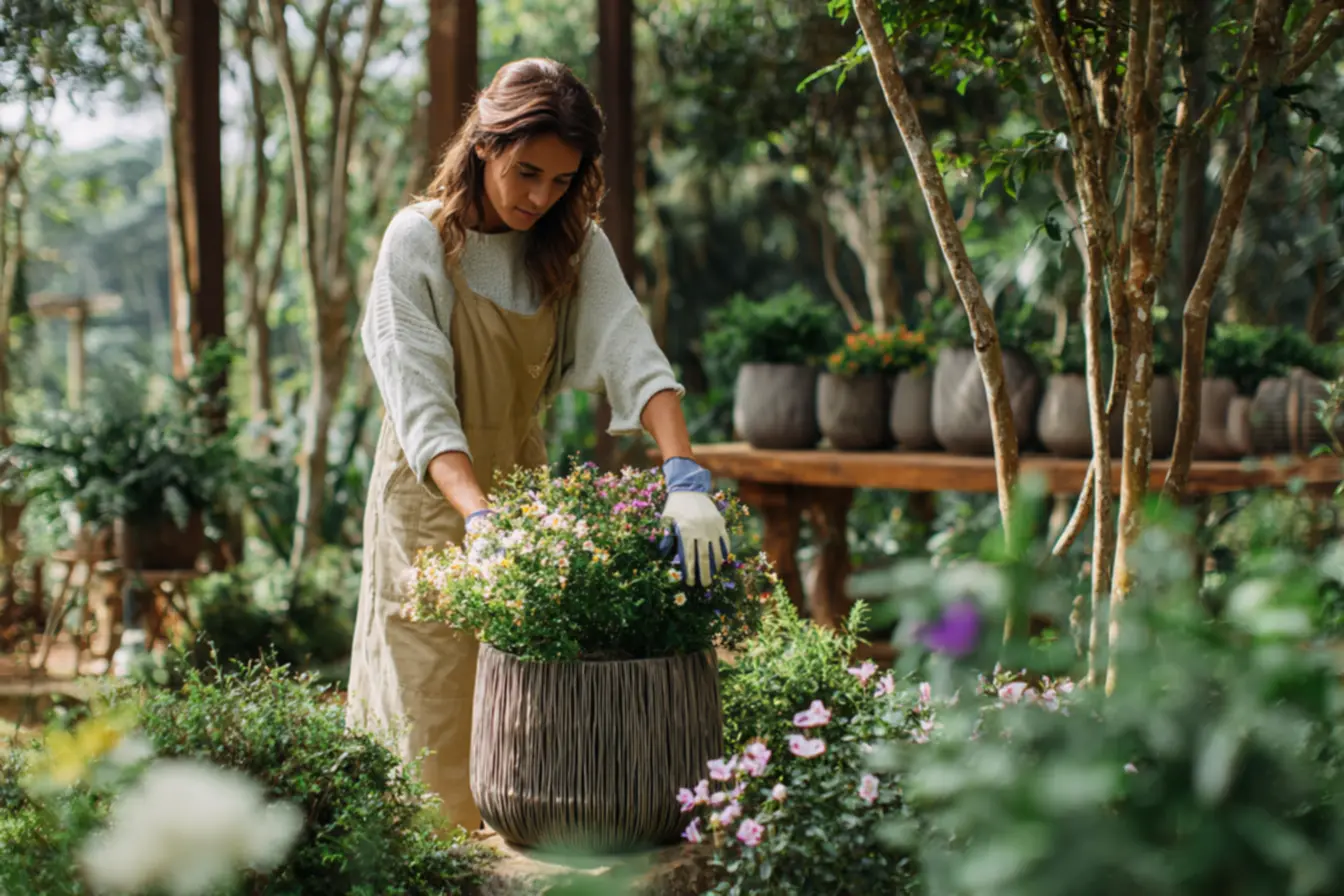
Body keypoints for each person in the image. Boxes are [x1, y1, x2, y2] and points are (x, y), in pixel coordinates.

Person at [346, 57, 731, 831]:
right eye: (526, 173)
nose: (540, 198)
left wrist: (684, 472)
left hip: (521, 500)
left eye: (561, 180)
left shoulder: (571, 245)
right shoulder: (420, 242)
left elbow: (632, 350)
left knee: (522, 720)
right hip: (430, 502)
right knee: (430, 711)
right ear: (484, 144)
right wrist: (476, 518)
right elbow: (423, 408)